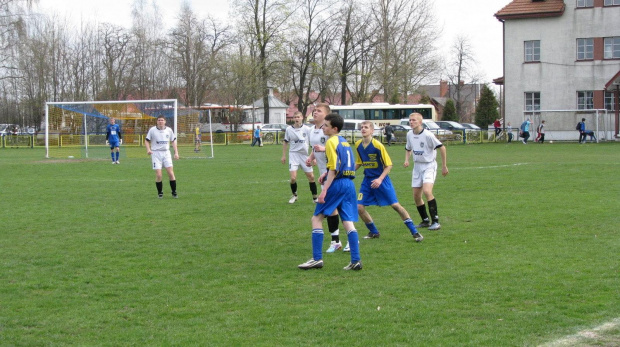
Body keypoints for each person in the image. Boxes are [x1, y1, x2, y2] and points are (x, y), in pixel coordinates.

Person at [298, 113, 362, 271]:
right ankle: (356, 260)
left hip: (338, 184)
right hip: (349, 183)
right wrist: (326, 173)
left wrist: (324, 190)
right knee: (347, 221)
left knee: (316, 219)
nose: (323, 127)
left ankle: (316, 258)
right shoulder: (344, 141)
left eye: (326, 125)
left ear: (334, 128)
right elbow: (345, 163)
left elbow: (334, 167)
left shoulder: (331, 141)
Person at [354, 121, 423, 242]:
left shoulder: (378, 146)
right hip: (367, 181)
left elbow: (389, 165)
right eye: (362, 127)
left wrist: (380, 179)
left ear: (372, 131)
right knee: (359, 207)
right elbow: (359, 162)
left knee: (395, 205)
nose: (363, 129)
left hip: (382, 180)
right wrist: (348, 172)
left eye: (366, 127)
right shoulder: (358, 144)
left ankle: (415, 232)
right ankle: (374, 232)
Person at [306, 103, 344, 253]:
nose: (315, 113)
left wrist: (325, 149)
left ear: (326, 115)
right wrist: (311, 157)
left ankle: (338, 240)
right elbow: (315, 147)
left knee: (330, 209)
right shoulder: (312, 131)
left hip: (332, 174)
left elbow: (337, 147)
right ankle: (340, 240)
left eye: (319, 111)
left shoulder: (328, 130)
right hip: (325, 174)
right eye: (314, 111)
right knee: (337, 208)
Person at [404, 112, 448, 231]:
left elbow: (442, 148)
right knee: (416, 196)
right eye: (410, 120)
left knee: (427, 191)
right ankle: (425, 220)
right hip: (417, 167)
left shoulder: (428, 135)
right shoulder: (409, 134)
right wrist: (407, 160)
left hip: (429, 165)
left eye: (414, 120)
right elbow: (408, 148)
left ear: (420, 122)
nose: (411, 122)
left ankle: (436, 221)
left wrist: (444, 166)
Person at [281, 111, 318, 204]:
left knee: (311, 177)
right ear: (293, 118)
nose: (297, 119)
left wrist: (314, 157)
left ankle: (315, 198)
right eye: (295, 117)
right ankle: (294, 195)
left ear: (302, 118)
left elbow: (313, 143)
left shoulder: (307, 129)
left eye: (298, 117)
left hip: (305, 156)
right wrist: (284, 155)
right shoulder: (289, 129)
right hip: (293, 155)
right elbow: (285, 142)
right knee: (293, 178)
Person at [145, 115, 179, 199]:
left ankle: (174, 192)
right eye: (159, 120)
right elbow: (146, 140)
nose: (160, 121)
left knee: (171, 173)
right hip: (156, 154)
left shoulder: (169, 130)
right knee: (159, 175)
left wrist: (176, 153)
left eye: (162, 120)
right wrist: (148, 149)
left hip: (166, 153)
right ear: (157, 121)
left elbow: (173, 141)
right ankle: (160, 193)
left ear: (165, 121)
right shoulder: (152, 130)